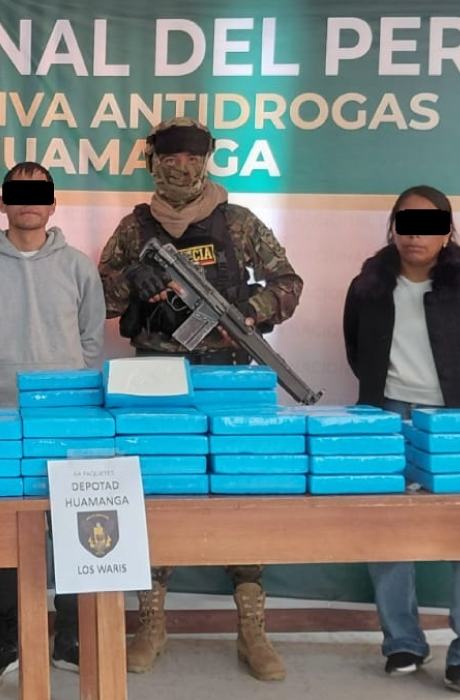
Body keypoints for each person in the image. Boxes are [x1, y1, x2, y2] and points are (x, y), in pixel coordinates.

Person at [97, 117, 302, 681]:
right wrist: (134, 279)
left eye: (192, 158)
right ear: (154, 163)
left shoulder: (238, 222)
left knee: (241, 491)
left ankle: (252, 630)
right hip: (157, 377)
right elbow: (100, 296)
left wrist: (247, 312)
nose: (181, 167)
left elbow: (288, 284)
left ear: (206, 160)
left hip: (230, 374)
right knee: (157, 491)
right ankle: (151, 623)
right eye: (170, 158)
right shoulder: (134, 229)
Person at [342, 185, 460, 694]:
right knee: (389, 533)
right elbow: (357, 351)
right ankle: (402, 641)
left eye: (428, 225)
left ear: (447, 230)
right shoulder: (368, 284)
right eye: (405, 223)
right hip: (388, 418)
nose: (415, 235)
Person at [0, 162, 105, 689]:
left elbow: (91, 341)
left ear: (53, 205)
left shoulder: (79, 267)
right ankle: (3, 641)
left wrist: (69, 388)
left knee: (74, 526)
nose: (28, 203)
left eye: (39, 195)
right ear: (3, 203)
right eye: (18, 194)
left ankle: (70, 639)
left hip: (68, 419)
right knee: (6, 531)